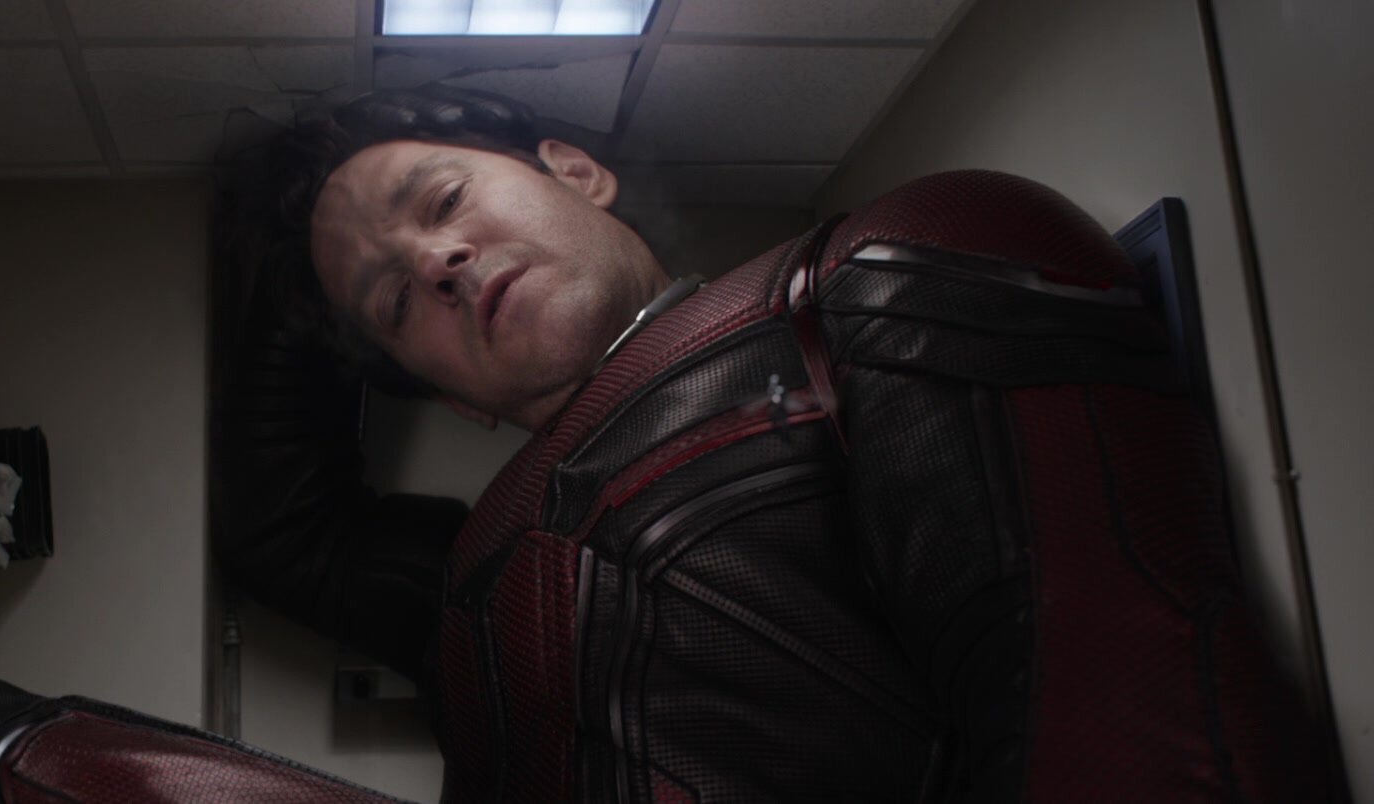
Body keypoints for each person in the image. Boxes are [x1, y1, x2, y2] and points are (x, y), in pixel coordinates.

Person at [212, 85, 1323, 802]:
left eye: (445, 198)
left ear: (575, 170)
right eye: (395, 301)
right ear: (451, 401)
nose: (437, 263)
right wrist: (298, 228)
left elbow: (1133, 727)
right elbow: (278, 530)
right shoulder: (466, 587)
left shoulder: (874, 292)